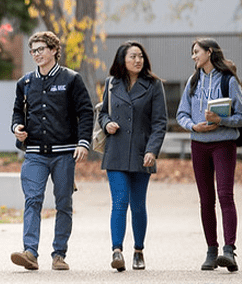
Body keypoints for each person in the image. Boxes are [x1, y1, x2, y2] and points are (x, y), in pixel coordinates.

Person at [9, 31, 94, 271]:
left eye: (41, 49)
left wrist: (83, 142)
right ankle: (30, 252)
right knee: (33, 199)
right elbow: (17, 112)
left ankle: (59, 254)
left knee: (63, 203)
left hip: (64, 152)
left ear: (54, 50)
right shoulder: (25, 83)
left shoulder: (71, 79)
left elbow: (86, 112)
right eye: (33, 50)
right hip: (34, 152)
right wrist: (17, 127)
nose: (36, 54)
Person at [176, 38, 242, 272]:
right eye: (192, 53)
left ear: (209, 52)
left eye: (196, 52)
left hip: (224, 144)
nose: (193, 57)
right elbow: (181, 114)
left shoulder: (228, 80)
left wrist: (222, 121)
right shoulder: (193, 81)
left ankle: (229, 251)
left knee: (225, 196)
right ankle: (211, 251)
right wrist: (193, 126)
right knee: (206, 201)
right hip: (199, 145)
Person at [97, 41, 168, 272]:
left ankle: (138, 251)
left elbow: (160, 123)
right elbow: (103, 113)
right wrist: (107, 124)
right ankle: (116, 251)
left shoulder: (154, 85)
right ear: (122, 60)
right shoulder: (110, 84)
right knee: (119, 202)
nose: (138, 60)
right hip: (116, 152)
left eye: (140, 56)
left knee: (138, 205)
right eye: (132, 57)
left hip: (141, 153)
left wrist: (152, 150)